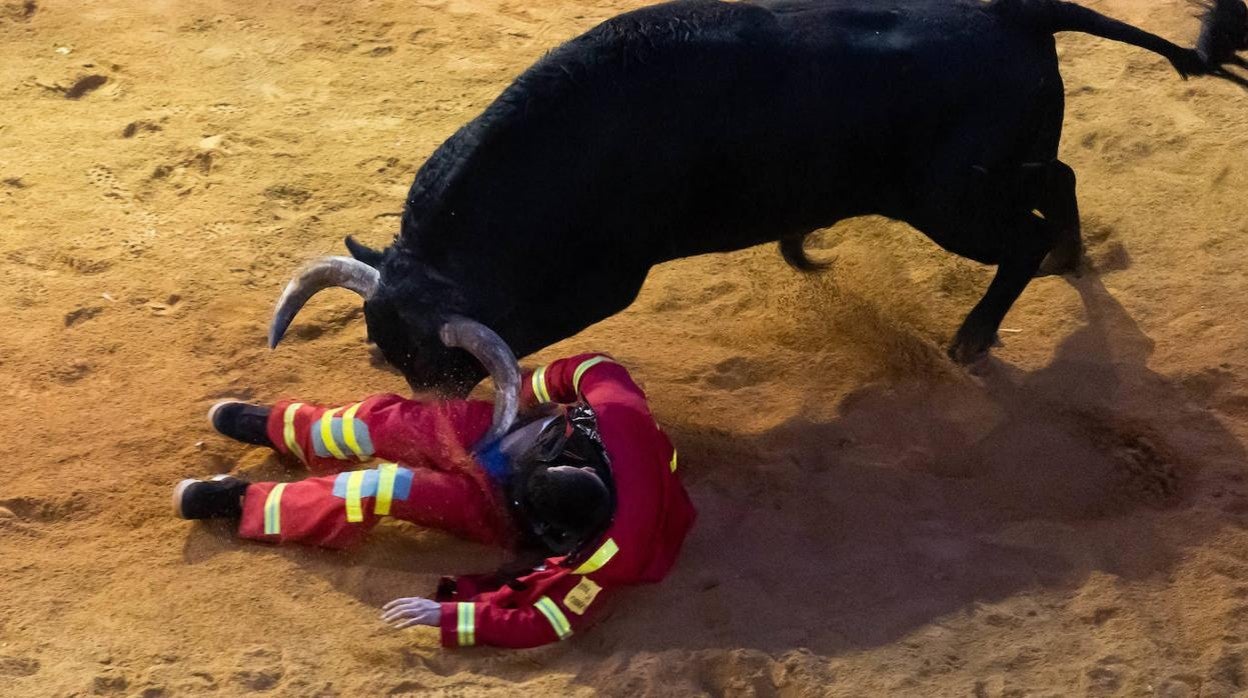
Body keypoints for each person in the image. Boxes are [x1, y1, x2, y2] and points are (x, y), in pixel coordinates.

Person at [173, 353, 696, 649]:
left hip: (493, 506)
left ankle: (243, 503)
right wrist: (527, 391)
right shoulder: (615, 410)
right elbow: (591, 366)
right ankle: (286, 427)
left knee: (378, 488)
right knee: (385, 423)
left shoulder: (614, 554)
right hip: (514, 433)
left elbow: (550, 621)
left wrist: (446, 616)